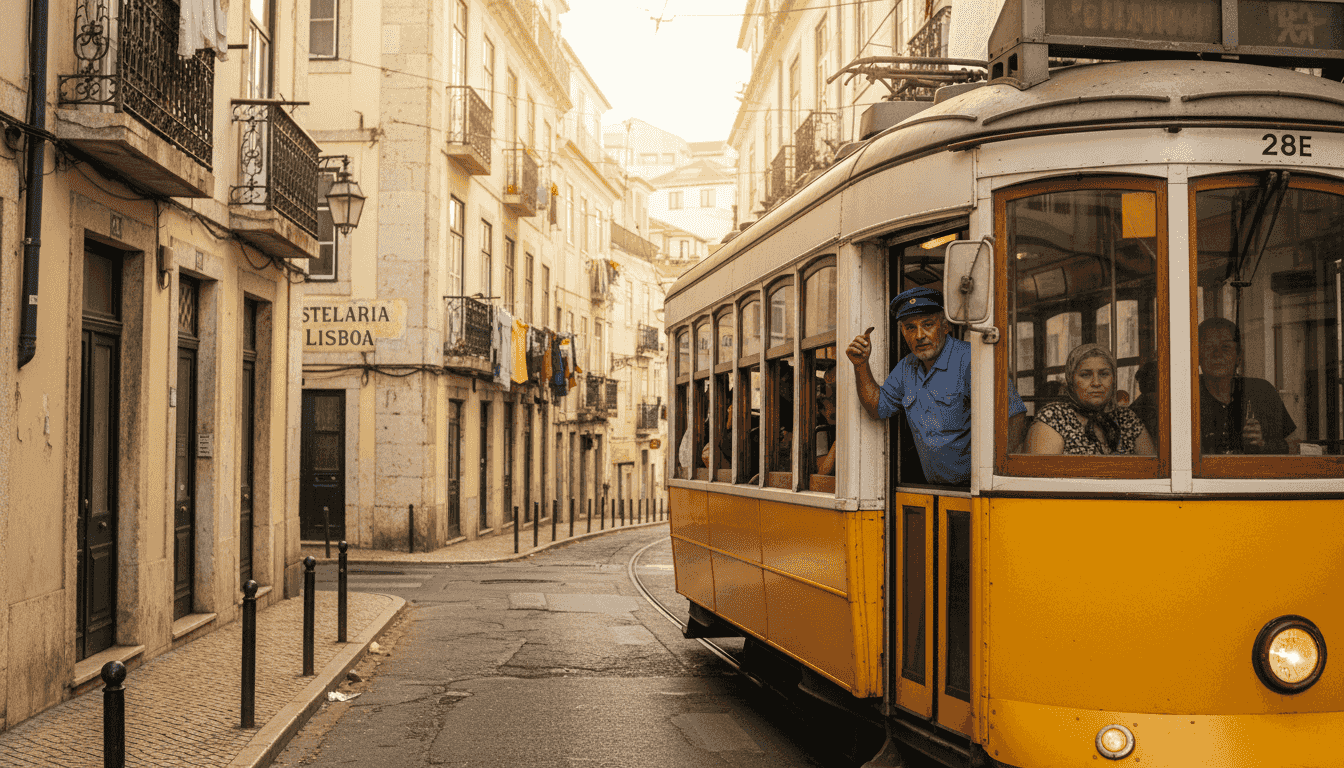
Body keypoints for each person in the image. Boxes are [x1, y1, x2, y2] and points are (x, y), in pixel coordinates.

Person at [847, 286, 1026, 486]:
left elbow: (1014, 415)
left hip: (976, 490)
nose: (919, 335)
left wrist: (995, 478)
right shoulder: (907, 367)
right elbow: (877, 407)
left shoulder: (970, 360)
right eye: (910, 327)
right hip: (936, 490)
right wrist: (861, 365)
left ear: (945, 326)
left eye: (928, 324)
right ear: (903, 332)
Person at [1026, 343, 1155, 455]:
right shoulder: (1055, 417)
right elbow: (1042, 480)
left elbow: (1152, 471)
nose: (1096, 382)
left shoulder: (1126, 419)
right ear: (1071, 381)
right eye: (1085, 375)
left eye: (1104, 374)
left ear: (1113, 379)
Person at [1197, 317, 1294, 454]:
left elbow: (1294, 446)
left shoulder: (1261, 391)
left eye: (1225, 347)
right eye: (1208, 347)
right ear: (1197, 356)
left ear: (1238, 357)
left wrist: (1262, 445)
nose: (1217, 354)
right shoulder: (1188, 394)